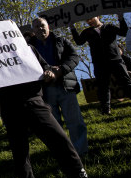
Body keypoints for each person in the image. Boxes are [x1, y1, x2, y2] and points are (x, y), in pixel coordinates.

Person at [0, 33, 92, 178]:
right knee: (20, 154)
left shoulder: (29, 49)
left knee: (61, 142)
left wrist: (49, 73)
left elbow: (44, 67)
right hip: (9, 108)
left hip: (34, 102)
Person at [70, 15, 131, 121]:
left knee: (126, 82)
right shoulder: (87, 32)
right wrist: (72, 28)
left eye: (91, 18)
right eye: (87, 20)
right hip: (99, 63)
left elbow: (123, 32)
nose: (89, 21)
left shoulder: (109, 27)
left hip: (116, 60)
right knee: (103, 86)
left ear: (98, 16)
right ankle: (106, 110)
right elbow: (79, 42)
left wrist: (121, 18)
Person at [31, 17, 88, 157]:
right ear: (33, 30)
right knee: (54, 126)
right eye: (36, 27)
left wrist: (61, 70)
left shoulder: (61, 41)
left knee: (75, 121)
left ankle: (81, 153)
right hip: (45, 90)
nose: (40, 28)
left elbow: (74, 57)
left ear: (48, 27)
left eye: (42, 25)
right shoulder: (29, 48)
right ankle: (64, 155)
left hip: (65, 86)